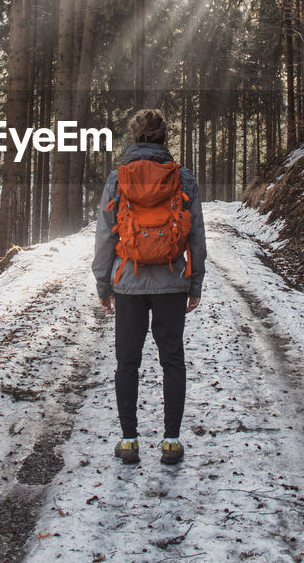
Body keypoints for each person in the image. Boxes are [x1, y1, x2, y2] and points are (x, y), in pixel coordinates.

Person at [92, 109, 206, 466]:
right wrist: (195, 282)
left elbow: (105, 235)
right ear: (163, 137)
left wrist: (103, 282)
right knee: (172, 358)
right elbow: (197, 235)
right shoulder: (183, 178)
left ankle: (129, 442)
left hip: (128, 281)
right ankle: (171, 442)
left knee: (127, 361)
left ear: (134, 136)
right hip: (172, 280)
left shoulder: (118, 178)